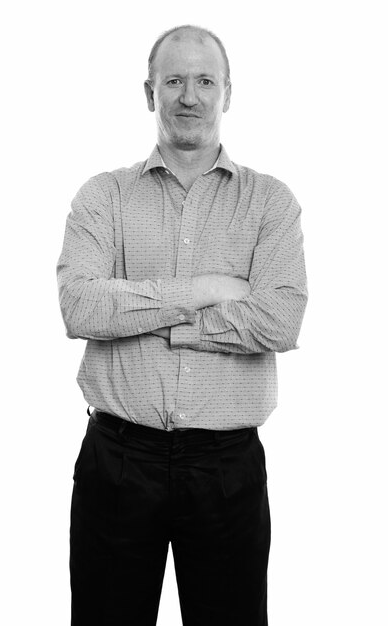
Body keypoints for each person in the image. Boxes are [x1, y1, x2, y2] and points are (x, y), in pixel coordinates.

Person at [57, 24, 308, 626]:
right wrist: (203, 293)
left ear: (228, 93)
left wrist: (153, 315)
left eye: (204, 81)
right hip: (118, 460)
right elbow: (80, 307)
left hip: (226, 470)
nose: (189, 97)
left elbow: (280, 318)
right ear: (150, 93)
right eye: (174, 81)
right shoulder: (103, 197)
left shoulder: (271, 203)